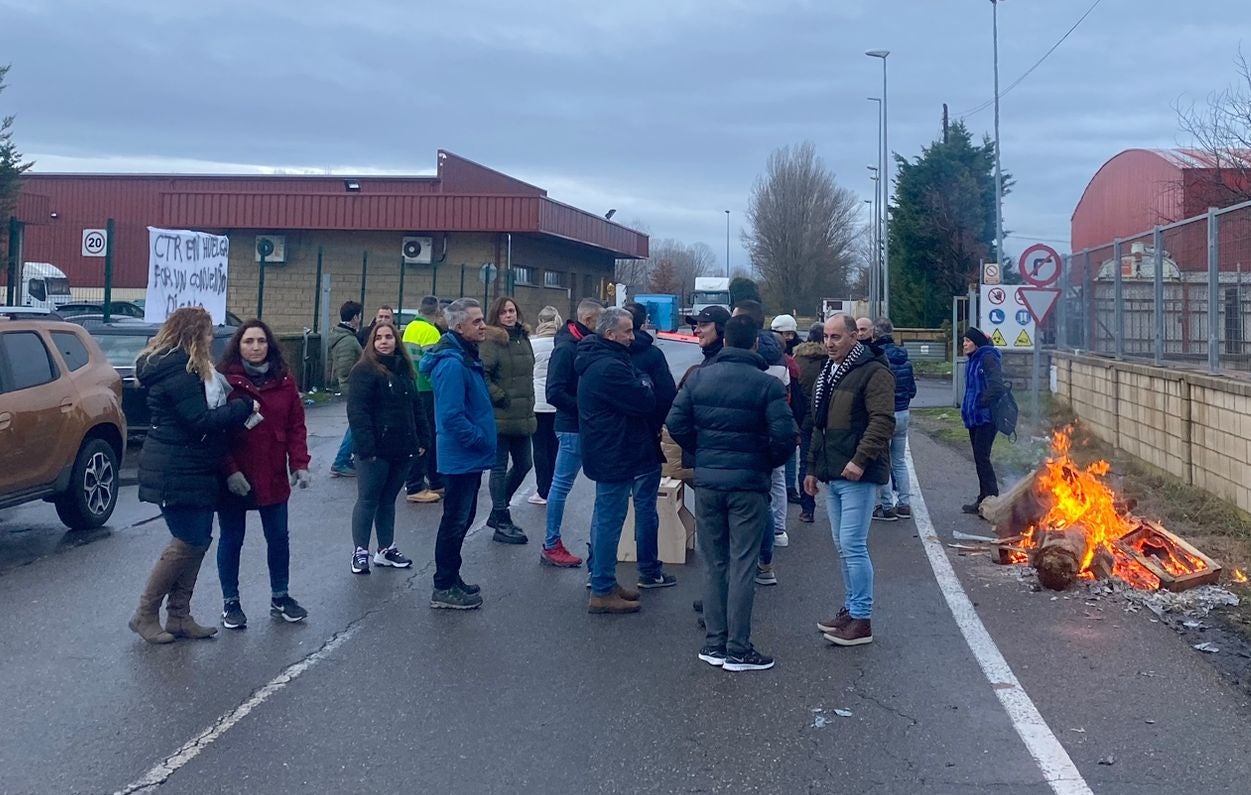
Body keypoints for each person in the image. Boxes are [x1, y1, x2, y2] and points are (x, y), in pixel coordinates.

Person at [668, 316, 796, 670]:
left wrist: (703, 453)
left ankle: (713, 642)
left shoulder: (699, 378)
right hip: (749, 483)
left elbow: (675, 423)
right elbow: (786, 436)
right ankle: (738, 648)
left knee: (714, 562)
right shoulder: (767, 385)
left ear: (724, 342)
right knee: (743, 562)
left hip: (709, 481)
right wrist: (765, 461)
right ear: (755, 344)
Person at [130, 307, 255, 644]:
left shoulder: (190, 368)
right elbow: (198, 421)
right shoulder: (179, 372)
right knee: (188, 540)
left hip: (193, 466)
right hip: (175, 467)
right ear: (194, 335)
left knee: (199, 538)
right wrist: (241, 408)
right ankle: (144, 614)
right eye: (209, 332)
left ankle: (179, 615)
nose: (214, 338)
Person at [804, 314, 895, 647]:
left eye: (837, 337)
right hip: (833, 472)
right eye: (826, 336)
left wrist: (859, 460)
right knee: (844, 548)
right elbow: (819, 425)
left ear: (855, 336)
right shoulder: (829, 372)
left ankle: (862, 620)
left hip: (858, 473)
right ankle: (852, 610)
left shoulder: (874, 372)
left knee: (853, 546)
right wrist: (811, 468)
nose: (829, 343)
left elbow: (883, 422)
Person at [216, 320, 311, 629]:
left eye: (260, 341)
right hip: (236, 474)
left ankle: (280, 596)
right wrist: (230, 471)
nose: (255, 347)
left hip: (272, 472)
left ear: (269, 344)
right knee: (232, 538)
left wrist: (299, 463)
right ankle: (231, 602)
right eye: (248, 342)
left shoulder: (284, 380)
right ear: (238, 346)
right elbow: (215, 431)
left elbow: (296, 425)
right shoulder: (226, 381)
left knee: (279, 537)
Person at [577, 307, 669, 613]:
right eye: (628, 331)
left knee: (609, 518)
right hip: (614, 452)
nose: (634, 336)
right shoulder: (609, 367)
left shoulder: (608, 359)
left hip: (612, 449)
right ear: (610, 334)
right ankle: (602, 589)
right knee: (609, 521)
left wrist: (641, 381)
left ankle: (606, 580)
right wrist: (644, 381)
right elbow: (645, 400)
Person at [420, 298, 496, 609]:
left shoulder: (464, 356)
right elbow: (452, 416)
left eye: (482, 320)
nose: (483, 326)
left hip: (468, 455)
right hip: (461, 454)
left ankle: (452, 577)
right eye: (476, 321)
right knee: (454, 520)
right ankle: (443, 586)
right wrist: (479, 439)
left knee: (463, 519)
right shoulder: (452, 363)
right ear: (458, 326)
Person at [346, 322, 430, 576]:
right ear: (372, 342)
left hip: (402, 447)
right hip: (374, 451)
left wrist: (422, 440)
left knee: (388, 499)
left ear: (396, 341)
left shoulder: (405, 370)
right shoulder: (363, 371)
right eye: (379, 338)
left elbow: (416, 408)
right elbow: (358, 413)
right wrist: (366, 447)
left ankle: (386, 549)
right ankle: (360, 551)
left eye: (389, 337)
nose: (384, 341)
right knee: (368, 499)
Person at [541, 299, 605, 568]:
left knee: (600, 484)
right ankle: (551, 543)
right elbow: (554, 392)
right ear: (589, 321)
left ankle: (596, 546)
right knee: (561, 485)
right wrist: (585, 408)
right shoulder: (567, 348)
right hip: (572, 428)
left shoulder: (587, 344)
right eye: (600, 322)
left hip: (587, 425)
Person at [623, 302, 679, 589]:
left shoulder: (602, 353)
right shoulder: (652, 355)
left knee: (607, 506)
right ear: (642, 324)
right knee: (645, 505)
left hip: (611, 442)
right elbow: (668, 394)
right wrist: (656, 424)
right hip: (645, 438)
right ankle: (649, 570)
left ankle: (598, 570)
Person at [732, 301, 789, 573]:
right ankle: (775, 537)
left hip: (740, 448)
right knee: (770, 488)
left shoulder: (725, 363)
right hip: (765, 443)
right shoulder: (778, 353)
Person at [481, 296, 535, 544]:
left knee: (524, 464)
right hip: (500, 414)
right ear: (496, 316)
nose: (509, 315)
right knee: (499, 468)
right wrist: (499, 397)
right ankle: (502, 517)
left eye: (512, 311)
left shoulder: (523, 338)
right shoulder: (492, 341)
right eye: (504, 312)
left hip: (523, 413)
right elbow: (483, 374)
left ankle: (497, 511)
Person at [872, 317, 917, 522]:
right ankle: (905, 503)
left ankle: (887, 505)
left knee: (883, 459)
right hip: (903, 412)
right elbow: (912, 390)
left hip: (886, 413)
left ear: (876, 334)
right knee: (899, 460)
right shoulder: (905, 359)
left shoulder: (877, 357)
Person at [403, 295, 446, 503]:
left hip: (412, 387)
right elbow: (433, 366)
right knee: (426, 436)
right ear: (437, 312)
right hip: (427, 390)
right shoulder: (431, 332)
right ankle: (416, 485)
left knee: (420, 434)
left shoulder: (411, 327)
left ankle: (435, 480)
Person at [961, 327, 1005, 515]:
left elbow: (997, 386)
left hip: (986, 417)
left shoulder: (987, 358)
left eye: (968, 341)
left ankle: (991, 497)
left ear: (977, 343)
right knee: (979, 459)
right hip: (974, 418)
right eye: (963, 341)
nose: (964, 344)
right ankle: (983, 497)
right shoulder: (972, 360)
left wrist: (981, 402)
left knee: (982, 457)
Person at [791, 323, 827, 524]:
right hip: (826, 420)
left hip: (804, 420)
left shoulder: (797, 361)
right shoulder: (830, 361)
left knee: (805, 464)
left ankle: (807, 508)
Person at [528, 306, 562, 506]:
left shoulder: (532, 344)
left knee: (540, 448)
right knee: (555, 447)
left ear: (540, 321)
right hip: (557, 403)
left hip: (537, 402)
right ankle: (555, 487)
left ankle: (542, 490)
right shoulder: (560, 344)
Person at [771, 313, 805, 505]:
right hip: (785, 408)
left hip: (789, 408)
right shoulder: (786, 360)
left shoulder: (794, 356)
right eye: (786, 334)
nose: (790, 338)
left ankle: (790, 487)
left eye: (792, 334)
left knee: (791, 455)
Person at [328, 300, 364, 478]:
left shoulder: (346, 336)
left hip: (352, 387)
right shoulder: (347, 341)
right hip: (352, 388)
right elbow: (345, 370)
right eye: (359, 316)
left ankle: (348, 459)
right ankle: (340, 461)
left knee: (356, 423)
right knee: (356, 424)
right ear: (355, 317)